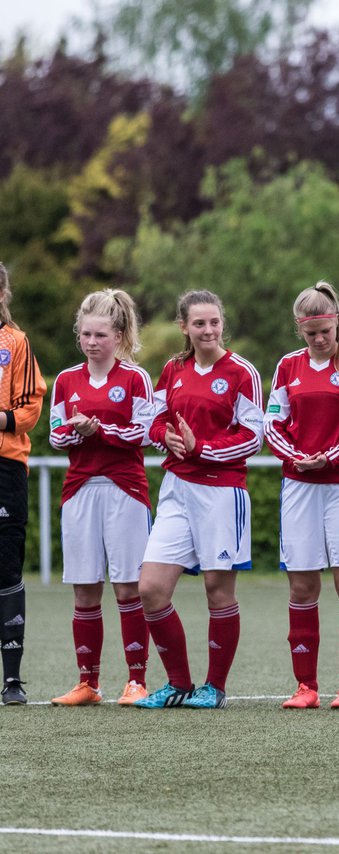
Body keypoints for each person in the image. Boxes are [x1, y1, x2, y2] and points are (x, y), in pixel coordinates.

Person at [134, 290, 263, 710]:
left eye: (214, 322)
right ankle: (178, 684)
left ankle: (215, 688)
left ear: (222, 323)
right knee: (151, 588)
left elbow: (253, 436)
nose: (208, 330)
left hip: (222, 492)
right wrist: (164, 437)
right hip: (176, 491)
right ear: (184, 327)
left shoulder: (242, 372)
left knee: (217, 590)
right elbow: (152, 418)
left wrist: (200, 447)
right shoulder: (173, 369)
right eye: (199, 324)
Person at [264, 283, 339, 710]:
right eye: (310, 332)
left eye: (325, 330)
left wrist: (327, 458)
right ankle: (306, 687)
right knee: (301, 586)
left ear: (337, 321)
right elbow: (271, 423)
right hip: (299, 486)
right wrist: (300, 458)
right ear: (301, 330)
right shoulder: (287, 366)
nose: (319, 339)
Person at [48, 289, 154, 706]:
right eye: (86, 335)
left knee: (128, 587)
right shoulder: (65, 380)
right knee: (85, 589)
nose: (92, 342)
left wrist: (100, 431)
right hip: (79, 491)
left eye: (101, 335)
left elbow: (143, 432)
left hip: (125, 489)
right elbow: (56, 436)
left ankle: (136, 681)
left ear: (120, 335)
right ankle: (87, 683)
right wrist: (76, 431)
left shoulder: (135, 378)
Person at [0, 263, 46, 705]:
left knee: (7, 569)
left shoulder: (15, 342)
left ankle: (12, 682)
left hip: (5, 467)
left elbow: (30, 405)